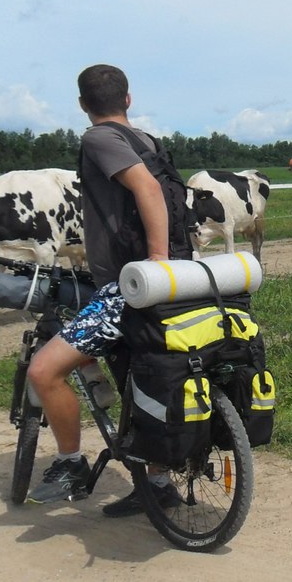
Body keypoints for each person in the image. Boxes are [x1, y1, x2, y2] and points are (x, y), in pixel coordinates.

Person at [26, 64, 186, 515]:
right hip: (170, 282)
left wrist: (156, 261)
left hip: (130, 284)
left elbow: (148, 190)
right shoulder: (148, 141)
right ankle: (158, 484)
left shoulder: (97, 139)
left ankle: (71, 463)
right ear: (128, 99)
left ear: (82, 105)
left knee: (44, 370)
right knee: (142, 377)